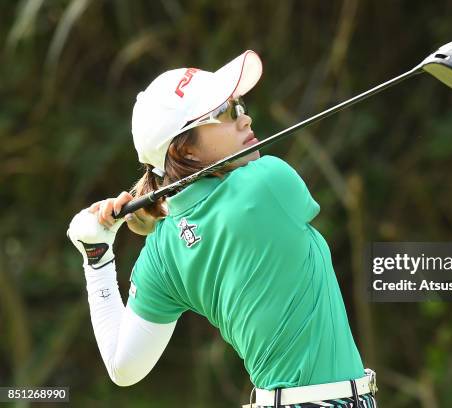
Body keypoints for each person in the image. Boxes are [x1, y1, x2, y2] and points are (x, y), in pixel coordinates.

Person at [67, 50, 378, 408]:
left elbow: (124, 368)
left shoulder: (162, 252)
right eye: (226, 113)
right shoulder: (269, 182)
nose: (245, 120)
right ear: (186, 149)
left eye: (240, 106)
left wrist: (98, 258)